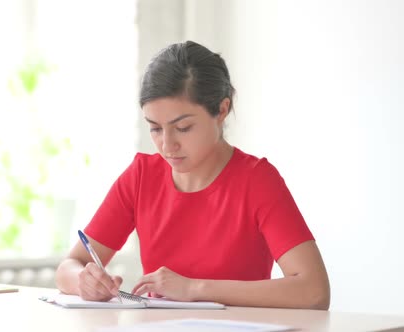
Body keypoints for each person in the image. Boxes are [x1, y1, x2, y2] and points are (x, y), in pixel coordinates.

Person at [54, 40, 330, 310]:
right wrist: (85, 281)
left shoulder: (257, 180)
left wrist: (194, 289)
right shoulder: (141, 176)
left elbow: (314, 291)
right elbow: (69, 266)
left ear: (222, 110)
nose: (167, 145)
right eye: (155, 128)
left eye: (183, 127)